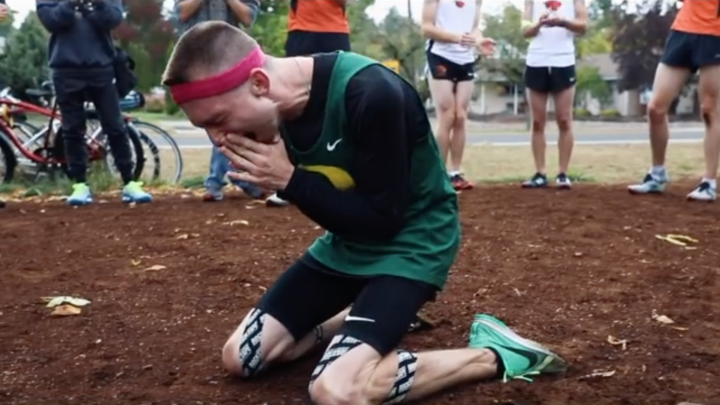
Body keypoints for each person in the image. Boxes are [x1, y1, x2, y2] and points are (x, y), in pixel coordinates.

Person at [162, 21, 567, 404]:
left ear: (259, 83)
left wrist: (291, 181)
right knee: (242, 356)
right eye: (206, 129)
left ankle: (493, 353)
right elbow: (346, 214)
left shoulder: (370, 93)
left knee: (337, 391)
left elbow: (383, 219)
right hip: (347, 240)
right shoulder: (270, 115)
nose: (217, 139)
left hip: (411, 240)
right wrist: (283, 177)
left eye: (218, 120)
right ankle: (369, 320)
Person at [36, 0, 152, 206]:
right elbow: (50, 21)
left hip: (101, 68)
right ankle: (80, 184)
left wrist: (97, 3)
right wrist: (71, 4)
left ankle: (129, 182)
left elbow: (112, 19)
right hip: (65, 70)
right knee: (72, 129)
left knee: (115, 126)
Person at [628, 0, 720, 201]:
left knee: (709, 109)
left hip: (715, 34)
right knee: (655, 109)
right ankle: (657, 175)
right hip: (683, 31)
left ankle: (709, 183)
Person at [175, 0, 264, 202]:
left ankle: (219, 181)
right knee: (217, 119)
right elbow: (180, 13)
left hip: (229, 57)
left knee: (224, 117)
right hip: (196, 58)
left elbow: (248, 17)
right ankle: (237, 178)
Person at [265, 0, 351, 208]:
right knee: (289, 102)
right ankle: (287, 184)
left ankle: (346, 179)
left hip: (334, 31)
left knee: (339, 99)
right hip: (302, 31)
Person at [421, 0, 494, 191]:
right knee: (447, 115)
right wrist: (456, 38)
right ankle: (438, 174)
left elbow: (474, 28)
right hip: (440, 56)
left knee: (461, 116)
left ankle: (455, 173)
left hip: (465, 59)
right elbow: (426, 28)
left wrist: (479, 41)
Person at [520, 0, 586, 189]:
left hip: (564, 61)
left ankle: (563, 173)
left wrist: (563, 22)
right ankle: (540, 173)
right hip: (536, 61)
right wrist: (538, 24)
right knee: (537, 122)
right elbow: (525, 31)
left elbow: (582, 26)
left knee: (564, 120)